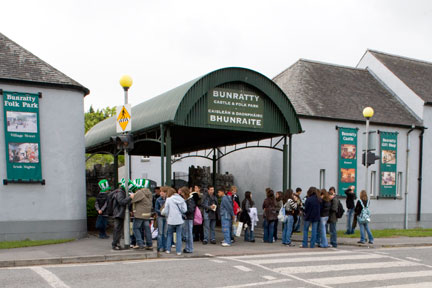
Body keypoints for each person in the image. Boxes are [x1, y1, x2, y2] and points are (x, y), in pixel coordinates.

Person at [162, 187, 187, 255]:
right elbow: (184, 210)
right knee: (179, 235)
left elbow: (166, 211)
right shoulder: (181, 199)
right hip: (179, 219)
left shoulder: (168, 199)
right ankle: (178, 251)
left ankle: (168, 250)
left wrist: (164, 213)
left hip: (171, 220)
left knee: (169, 234)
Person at [111, 179, 134, 250]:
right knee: (117, 229)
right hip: (118, 213)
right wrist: (130, 198)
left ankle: (116, 243)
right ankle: (115, 244)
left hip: (119, 212)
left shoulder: (121, 192)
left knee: (118, 229)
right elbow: (121, 202)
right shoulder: (120, 192)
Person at [131, 182, 153, 250]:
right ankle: (149, 244)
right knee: (147, 229)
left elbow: (133, 199)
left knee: (135, 228)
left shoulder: (140, 192)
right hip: (147, 214)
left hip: (139, 214)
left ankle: (140, 243)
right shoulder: (149, 192)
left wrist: (132, 195)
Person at [180, 186, 196, 253]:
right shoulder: (188, 200)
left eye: (182, 193)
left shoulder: (190, 200)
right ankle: (188, 247)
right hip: (188, 218)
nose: (181, 194)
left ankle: (190, 248)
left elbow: (191, 209)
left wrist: (184, 211)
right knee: (187, 233)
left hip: (188, 218)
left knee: (189, 234)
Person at [155, 186, 168, 252]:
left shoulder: (168, 199)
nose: (161, 193)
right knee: (160, 232)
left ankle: (165, 247)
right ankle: (160, 247)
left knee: (165, 233)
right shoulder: (158, 199)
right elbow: (156, 209)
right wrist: (161, 212)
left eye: (162, 192)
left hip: (166, 217)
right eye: (161, 191)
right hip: (160, 217)